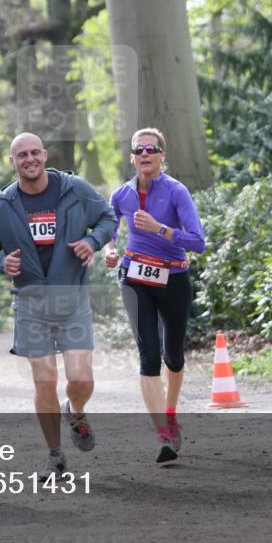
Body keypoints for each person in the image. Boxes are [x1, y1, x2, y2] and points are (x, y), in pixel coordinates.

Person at [0, 133, 117, 478]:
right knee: (44, 381)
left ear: (45, 154)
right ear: (13, 162)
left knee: (81, 379)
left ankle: (77, 412)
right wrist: (0, 263)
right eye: (21, 155)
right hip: (29, 301)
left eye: (34, 152)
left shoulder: (74, 189)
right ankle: (55, 456)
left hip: (71, 297)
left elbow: (108, 218)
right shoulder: (3, 204)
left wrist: (91, 240)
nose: (29, 159)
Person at [104, 128, 206, 464]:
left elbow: (198, 242)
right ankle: (162, 432)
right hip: (134, 277)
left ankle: (171, 412)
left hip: (173, 276)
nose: (145, 153)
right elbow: (109, 229)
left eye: (152, 148)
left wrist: (159, 229)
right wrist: (109, 249)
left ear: (162, 155)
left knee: (172, 357)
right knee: (148, 355)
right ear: (132, 157)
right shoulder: (121, 195)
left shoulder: (177, 192)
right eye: (139, 149)